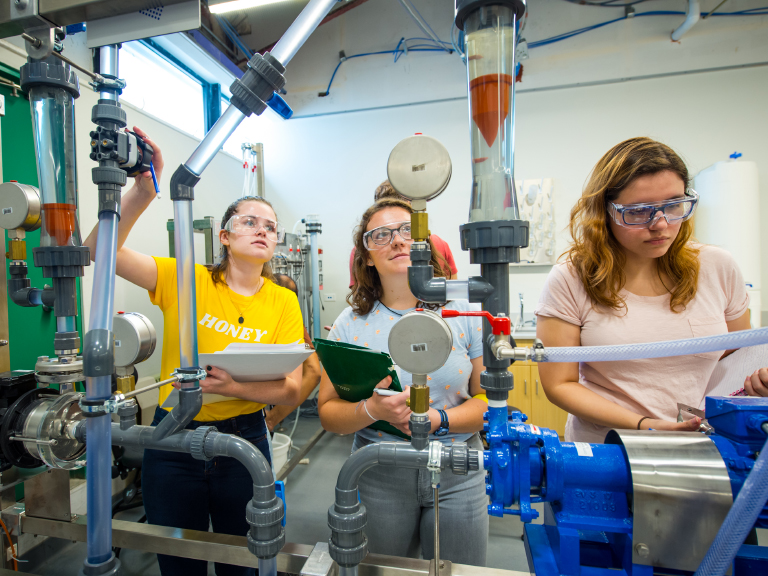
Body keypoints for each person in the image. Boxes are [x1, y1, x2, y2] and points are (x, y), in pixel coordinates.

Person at [84, 129, 303, 576]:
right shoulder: (185, 278)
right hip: (174, 436)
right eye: (249, 222)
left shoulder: (283, 300)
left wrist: (235, 385)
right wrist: (142, 192)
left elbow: (292, 389)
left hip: (245, 440)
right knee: (179, 560)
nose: (262, 230)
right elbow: (97, 250)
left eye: (270, 227)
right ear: (224, 235)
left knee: (242, 560)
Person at [535, 137, 759, 443]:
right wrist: (647, 425)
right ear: (605, 212)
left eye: (673, 205)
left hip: (702, 443)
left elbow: (738, 358)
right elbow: (559, 384)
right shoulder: (572, 278)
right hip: (611, 448)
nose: (660, 224)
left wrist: (754, 385)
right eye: (639, 211)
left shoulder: (717, 266)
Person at [318, 198, 489, 565]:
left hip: (457, 466)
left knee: (459, 570)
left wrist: (439, 420)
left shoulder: (463, 310)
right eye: (381, 235)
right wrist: (371, 409)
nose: (397, 241)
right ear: (366, 256)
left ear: (425, 243)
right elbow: (329, 414)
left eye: (408, 231)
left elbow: (488, 403)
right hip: (379, 470)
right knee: (382, 570)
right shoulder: (351, 323)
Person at [348, 180, 457, 287]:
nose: (398, 241)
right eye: (382, 235)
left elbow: (452, 294)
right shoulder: (364, 250)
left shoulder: (436, 243)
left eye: (407, 229)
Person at [266, 273, 322, 433]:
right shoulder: (293, 323)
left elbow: (313, 372)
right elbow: (314, 372)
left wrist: (271, 419)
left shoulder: (292, 324)